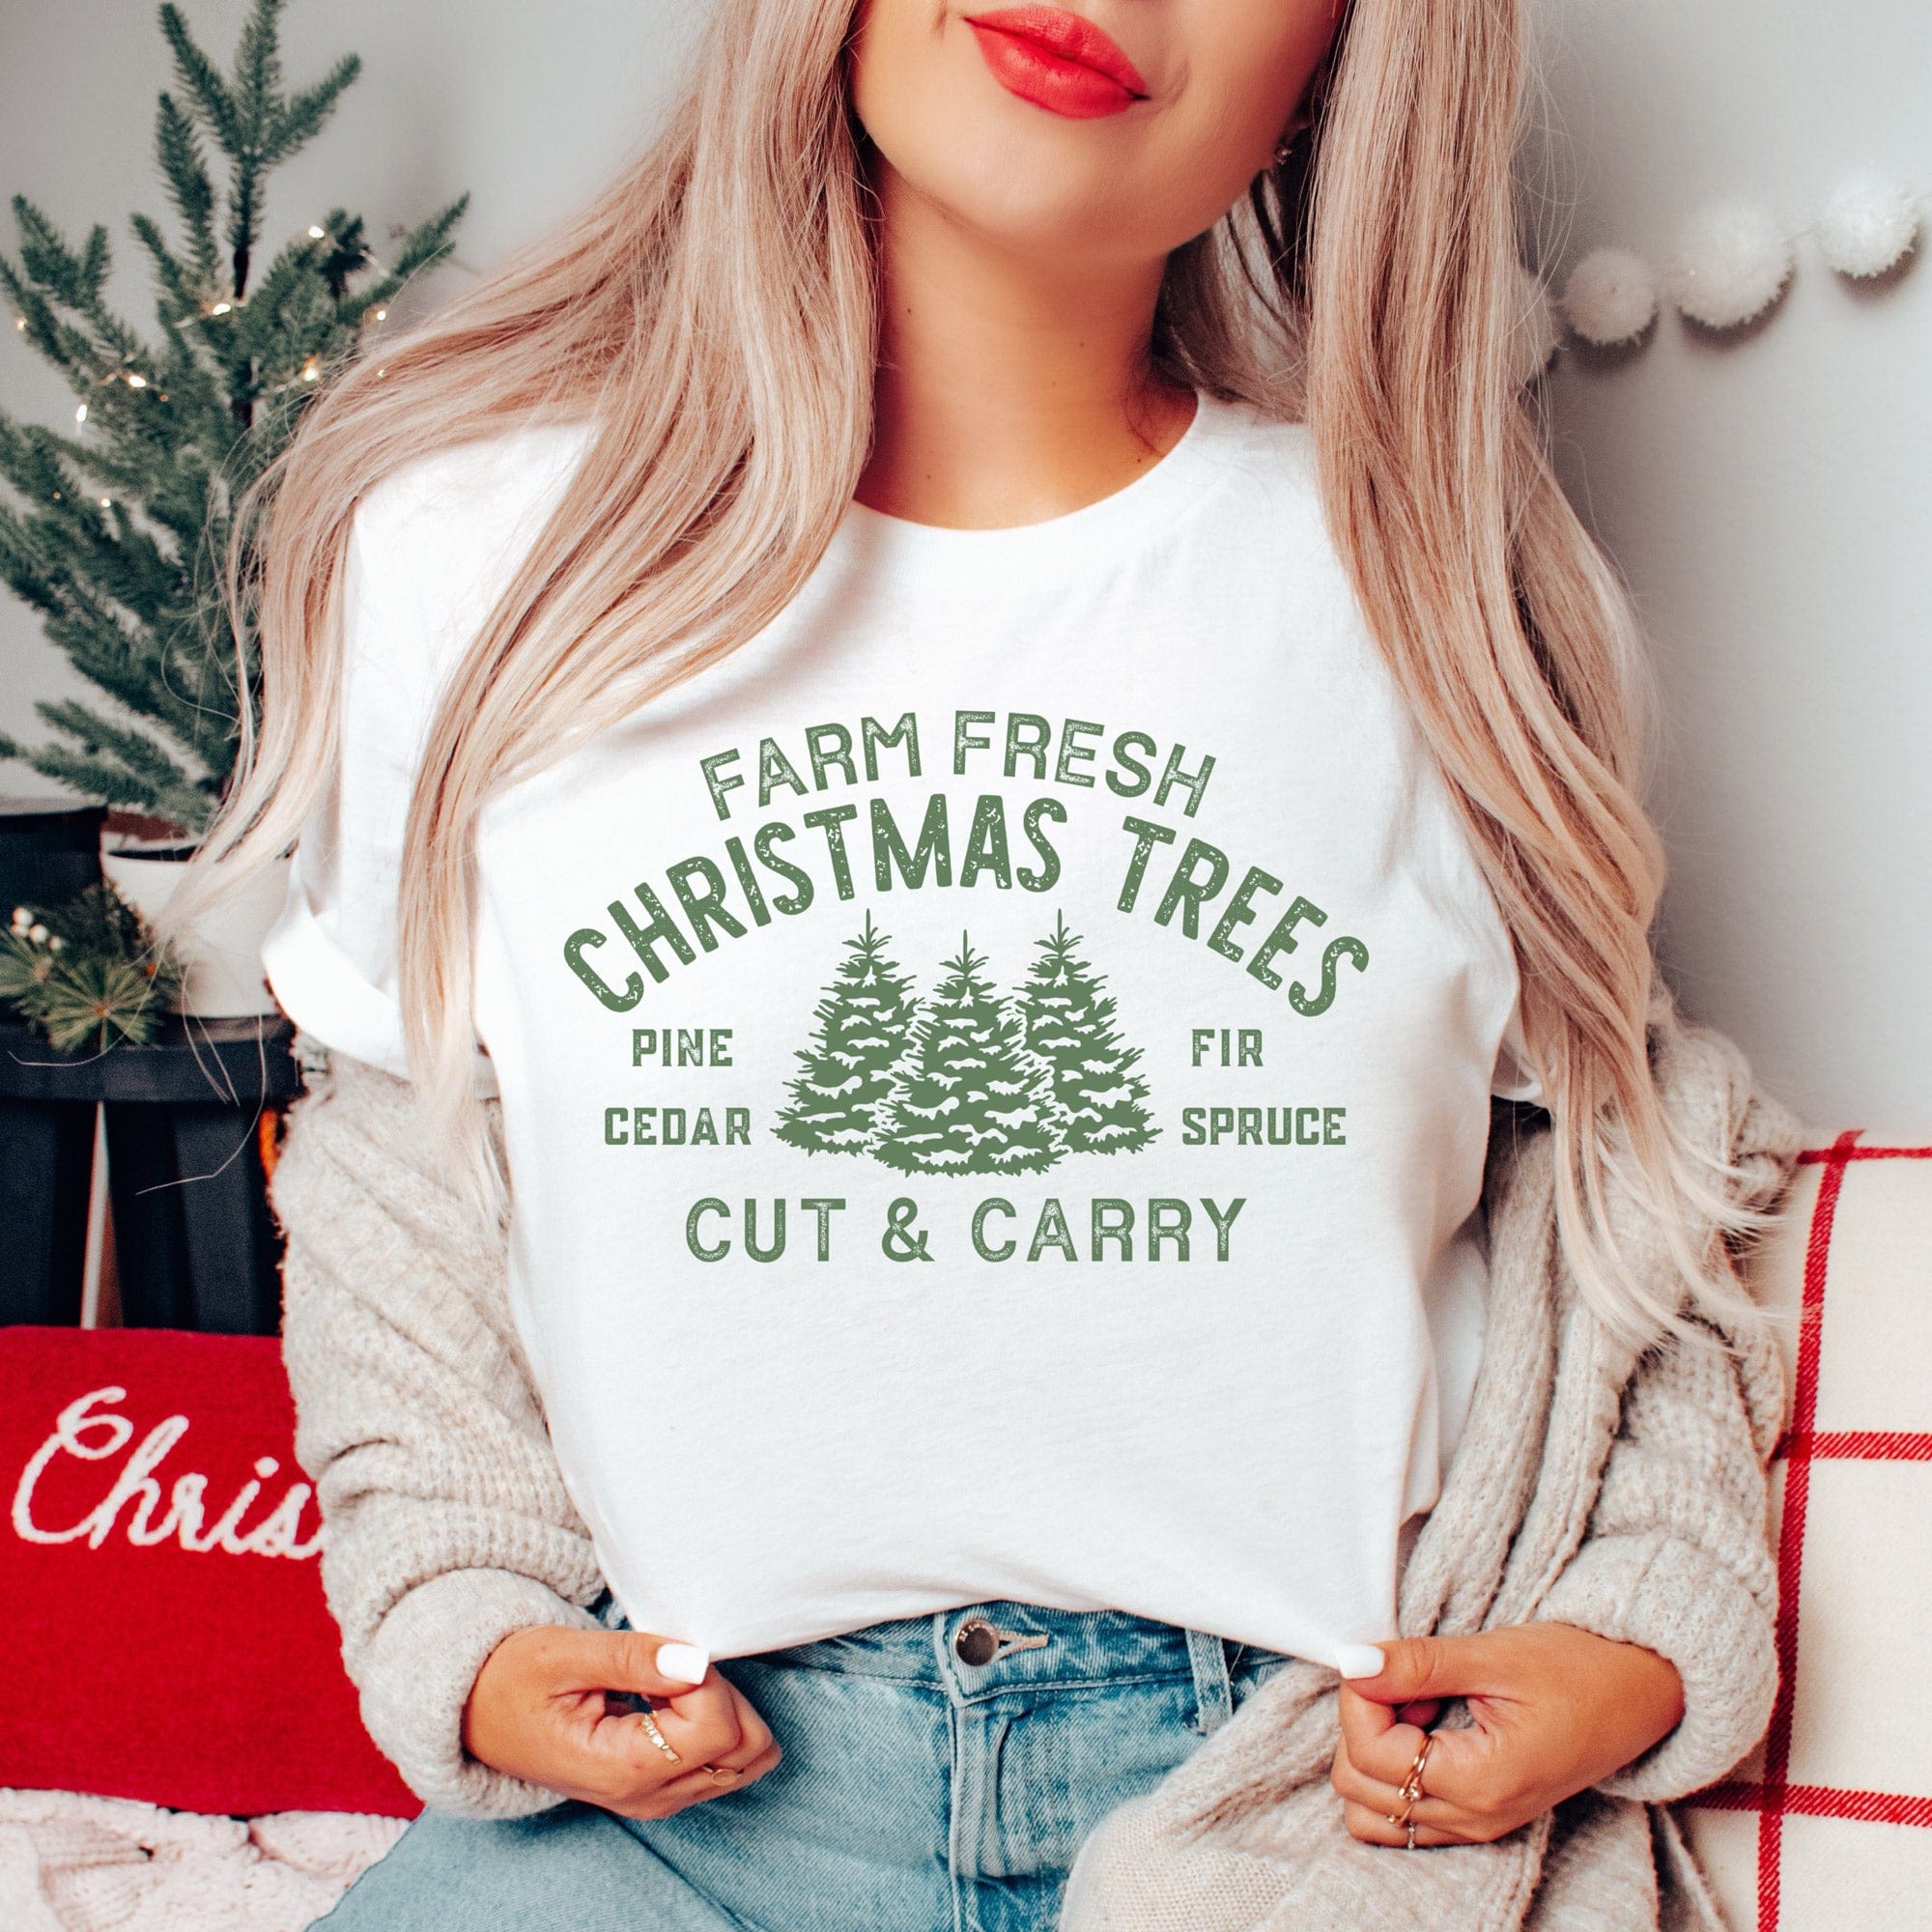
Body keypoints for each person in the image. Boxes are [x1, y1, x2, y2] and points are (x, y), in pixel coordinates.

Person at [177, 1, 1803, 1926]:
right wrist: (460, 1601)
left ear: (1342, 66)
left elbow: (1623, 1163)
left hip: (1309, 1809)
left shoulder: (1417, 582)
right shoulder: (474, 548)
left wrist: (1637, 1625)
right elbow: (401, 1147)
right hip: (687, 1802)